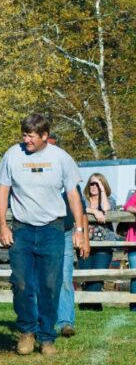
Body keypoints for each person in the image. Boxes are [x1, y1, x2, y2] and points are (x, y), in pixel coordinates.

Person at [0, 113, 85, 356]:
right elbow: (3, 191)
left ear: (45, 136)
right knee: (22, 283)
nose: (26, 140)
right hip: (22, 229)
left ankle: (47, 337)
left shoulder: (61, 158)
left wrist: (79, 229)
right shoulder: (12, 155)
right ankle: (27, 331)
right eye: (24, 135)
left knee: (50, 284)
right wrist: (3, 225)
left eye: (31, 136)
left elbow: (73, 195)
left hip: (52, 229)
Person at [47, 133, 89, 338]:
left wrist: (81, 233)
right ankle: (44, 321)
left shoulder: (68, 174)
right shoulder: (37, 172)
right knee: (43, 278)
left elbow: (79, 206)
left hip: (64, 231)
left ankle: (65, 321)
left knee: (64, 276)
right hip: (43, 230)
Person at [77, 173, 117, 311]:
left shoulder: (109, 199)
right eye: (92, 183)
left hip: (104, 246)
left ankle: (90, 306)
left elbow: (106, 209)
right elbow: (76, 207)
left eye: (97, 184)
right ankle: (91, 305)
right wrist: (93, 211)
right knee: (86, 275)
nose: (94, 186)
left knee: (97, 276)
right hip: (84, 243)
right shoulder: (83, 200)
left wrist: (102, 190)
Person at [124, 193, 136, 312]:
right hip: (134, 242)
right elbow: (127, 206)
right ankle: (134, 307)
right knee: (135, 274)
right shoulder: (135, 195)